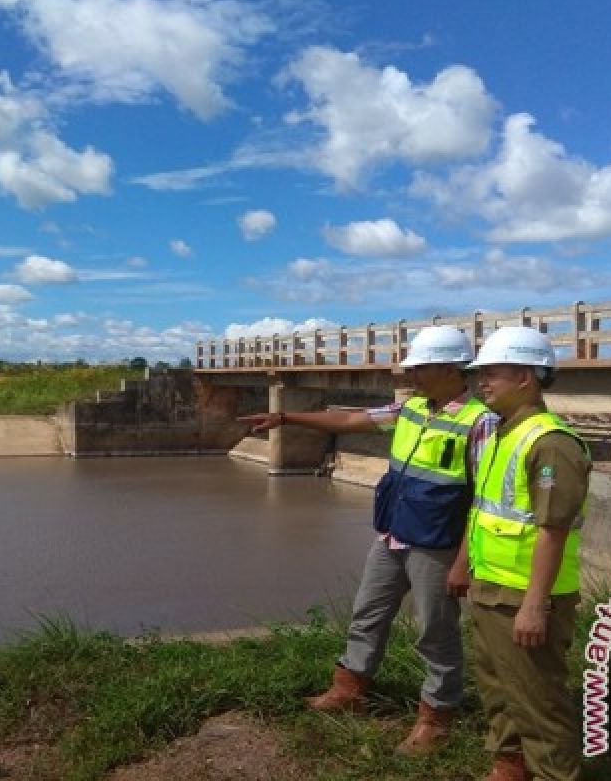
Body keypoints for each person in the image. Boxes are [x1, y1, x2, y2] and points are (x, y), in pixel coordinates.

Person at [239, 325, 497, 755]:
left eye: (421, 367)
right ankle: (349, 690)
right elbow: (347, 419)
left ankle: (436, 716)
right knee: (367, 612)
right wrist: (286, 418)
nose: (412, 375)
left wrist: (463, 561)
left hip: (438, 543)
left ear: (450, 367)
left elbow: (484, 497)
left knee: (435, 629)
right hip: (394, 534)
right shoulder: (411, 408)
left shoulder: (480, 422)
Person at [463, 326, 591, 781]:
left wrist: (535, 605)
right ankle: (509, 766)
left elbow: (552, 531)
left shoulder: (550, 442)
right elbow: (484, 510)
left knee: (539, 703)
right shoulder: (501, 433)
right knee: (499, 690)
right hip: (491, 588)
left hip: (526, 597)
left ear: (526, 377)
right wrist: (467, 569)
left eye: (492, 373)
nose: (482, 383)